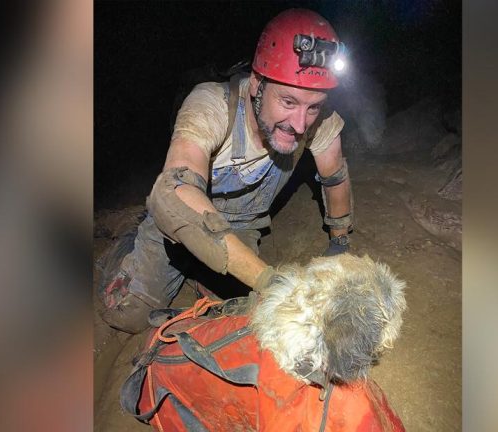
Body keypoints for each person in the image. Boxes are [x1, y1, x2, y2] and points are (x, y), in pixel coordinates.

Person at [100, 8, 354, 333]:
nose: (301, 123)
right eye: (288, 102)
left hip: (240, 231)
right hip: (175, 230)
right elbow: (175, 191)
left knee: (251, 324)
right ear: (257, 85)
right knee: (127, 315)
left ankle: (201, 276)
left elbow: (334, 178)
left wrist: (340, 243)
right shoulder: (212, 104)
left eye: (313, 106)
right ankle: (129, 236)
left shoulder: (318, 121)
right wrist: (267, 279)